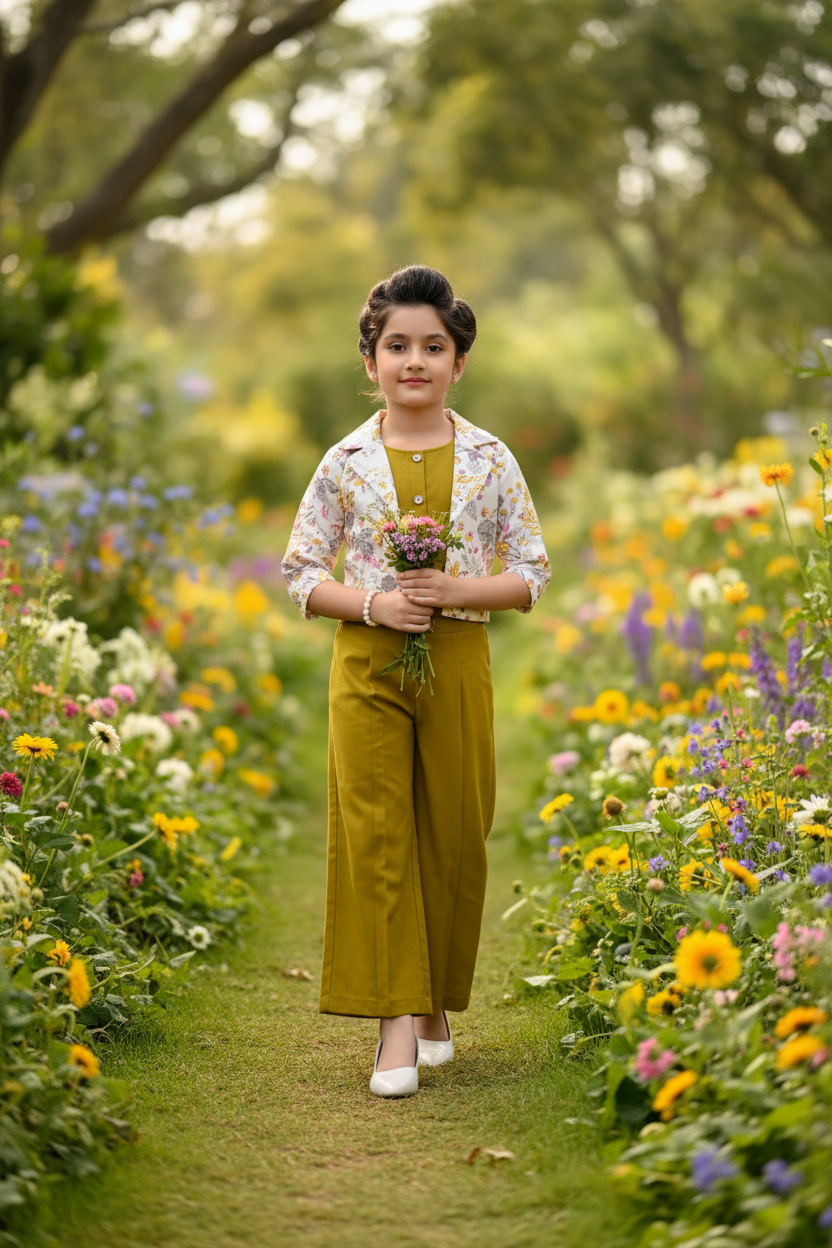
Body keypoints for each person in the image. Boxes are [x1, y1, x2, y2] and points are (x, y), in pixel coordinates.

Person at [281, 265, 550, 1097]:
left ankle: (435, 1002)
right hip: (365, 666)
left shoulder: (491, 459)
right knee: (378, 835)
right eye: (397, 345)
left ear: (458, 362)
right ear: (372, 362)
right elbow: (298, 572)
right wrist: (372, 604)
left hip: (460, 664)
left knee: (452, 830)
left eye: (434, 346)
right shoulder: (345, 461)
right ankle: (397, 1022)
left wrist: (458, 593)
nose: (415, 361)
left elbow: (533, 570)